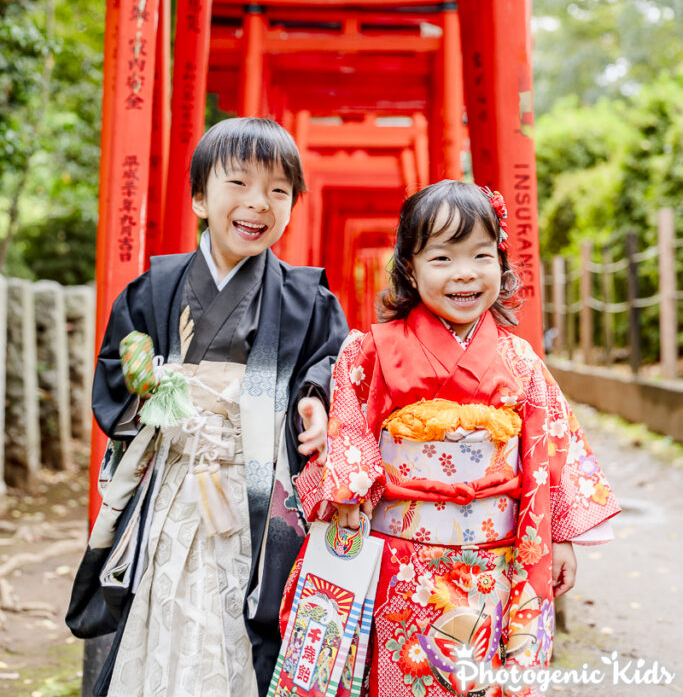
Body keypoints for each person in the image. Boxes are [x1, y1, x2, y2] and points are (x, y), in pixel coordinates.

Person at [289, 180, 620, 697]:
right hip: (400, 563)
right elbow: (348, 425)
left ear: (501, 265)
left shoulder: (520, 361)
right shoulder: (371, 352)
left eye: (481, 256)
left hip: (494, 563)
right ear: (409, 269)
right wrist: (349, 489)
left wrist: (561, 539)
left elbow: (548, 452)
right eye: (442, 258)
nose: (465, 273)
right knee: (401, 678)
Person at [90, 117, 349, 697]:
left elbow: (332, 365)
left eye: (279, 190)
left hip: (257, 491)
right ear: (201, 198)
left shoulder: (307, 298)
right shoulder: (155, 287)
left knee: (243, 624)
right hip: (175, 486)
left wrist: (315, 403)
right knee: (169, 614)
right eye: (240, 183)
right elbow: (116, 369)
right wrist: (141, 382)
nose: (259, 203)